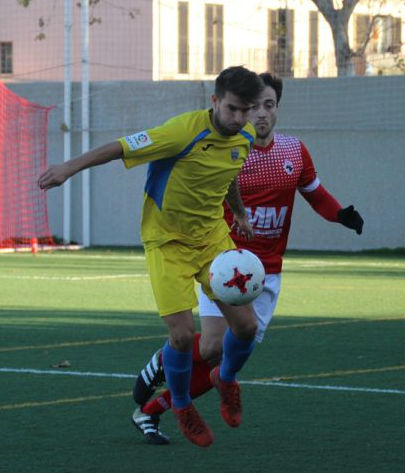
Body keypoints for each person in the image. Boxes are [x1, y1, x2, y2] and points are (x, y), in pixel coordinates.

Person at [38, 66, 265, 448]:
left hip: (212, 240)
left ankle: (224, 380)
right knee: (180, 338)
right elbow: (119, 148)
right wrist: (67, 168)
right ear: (214, 102)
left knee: (246, 328)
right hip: (167, 244)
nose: (240, 118)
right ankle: (180, 406)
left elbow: (229, 175)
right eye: (233, 109)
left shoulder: (244, 136)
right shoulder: (181, 131)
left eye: (247, 110)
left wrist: (238, 210)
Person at [131, 72, 364, 445]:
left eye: (267, 105)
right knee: (212, 348)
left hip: (266, 272)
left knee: (218, 355)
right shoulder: (228, 145)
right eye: (252, 106)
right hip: (223, 260)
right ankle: (166, 384)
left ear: (277, 108)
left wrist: (340, 214)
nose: (259, 114)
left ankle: (155, 399)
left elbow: (315, 193)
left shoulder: (293, 151)